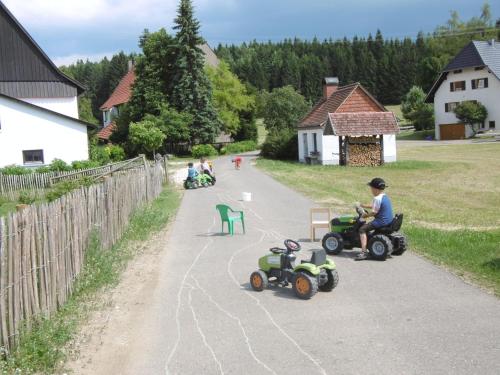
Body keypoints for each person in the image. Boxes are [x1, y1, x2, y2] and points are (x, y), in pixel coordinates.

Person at [356, 178, 394, 261]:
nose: (371, 190)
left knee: (362, 229)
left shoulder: (377, 198)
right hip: (389, 220)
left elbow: (373, 213)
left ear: (375, 189)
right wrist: (363, 205)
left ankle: (364, 252)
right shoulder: (384, 196)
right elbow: (375, 206)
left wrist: (364, 216)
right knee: (366, 226)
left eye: (371, 188)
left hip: (381, 221)